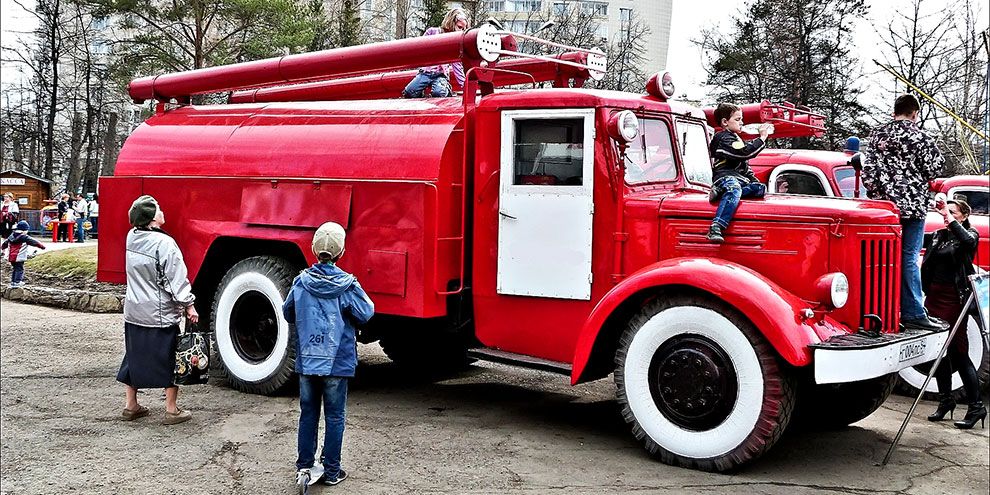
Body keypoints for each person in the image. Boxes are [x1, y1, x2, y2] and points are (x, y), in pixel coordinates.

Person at [283, 222, 374, 489]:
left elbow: (288, 312)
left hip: (308, 360)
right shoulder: (347, 284)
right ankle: (332, 471)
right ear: (340, 252)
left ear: (313, 249)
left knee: (308, 413)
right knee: (335, 416)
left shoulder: (301, 282)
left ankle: (304, 466)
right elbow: (366, 312)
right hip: (338, 361)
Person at [862, 94, 946, 331]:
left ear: (894, 112)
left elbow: (869, 171)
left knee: (880, 259)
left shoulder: (878, 134)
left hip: (884, 208)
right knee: (909, 258)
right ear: (915, 113)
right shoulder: (922, 137)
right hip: (914, 206)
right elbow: (934, 170)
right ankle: (912, 311)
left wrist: (880, 193)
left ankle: (879, 309)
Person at [116, 195, 198, 425]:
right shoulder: (164, 244)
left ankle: (131, 405)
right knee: (169, 358)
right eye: (158, 209)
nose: (162, 211)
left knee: (134, 355)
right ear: (152, 218)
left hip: (134, 310)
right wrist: (189, 305)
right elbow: (175, 279)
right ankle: (172, 409)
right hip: (158, 312)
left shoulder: (131, 238)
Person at [921, 199, 986, 429]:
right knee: (938, 353)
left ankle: (976, 407)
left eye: (952, 212)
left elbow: (967, 242)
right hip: (934, 299)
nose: (946, 215)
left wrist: (949, 219)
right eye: (944, 211)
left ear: (963, 216)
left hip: (954, 300)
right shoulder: (939, 235)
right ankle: (945, 400)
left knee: (959, 352)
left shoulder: (970, 234)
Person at [706, 102, 770, 243]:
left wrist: (754, 181)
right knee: (734, 188)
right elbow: (743, 153)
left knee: (760, 188)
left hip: (739, 179)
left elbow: (745, 167)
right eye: (737, 119)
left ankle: (721, 193)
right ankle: (717, 226)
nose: (741, 123)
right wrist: (762, 138)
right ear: (724, 122)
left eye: (741, 119)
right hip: (725, 177)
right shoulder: (723, 138)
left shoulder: (736, 139)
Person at [401, 9, 468, 98]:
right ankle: (420, 93)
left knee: (438, 92)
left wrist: (465, 88)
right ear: (451, 23)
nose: (461, 32)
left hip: (440, 75)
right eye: (459, 27)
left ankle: (446, 90)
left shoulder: (455, 44)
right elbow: (420, 48)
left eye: (463, 29)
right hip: (425, 72)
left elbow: (457, 66)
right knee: (409, 92)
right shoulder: (432, 32)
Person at [2, 220, 46, 287]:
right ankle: (17, 282)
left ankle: (13, 282)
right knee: (20, 269)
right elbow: (34, 242)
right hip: (19, 257)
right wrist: (42, 247)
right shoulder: (24, 237)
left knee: (15, 269)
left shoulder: (11, 236)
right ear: (24, 230)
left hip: (11, 257)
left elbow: (5, 244)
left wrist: (2, 247)